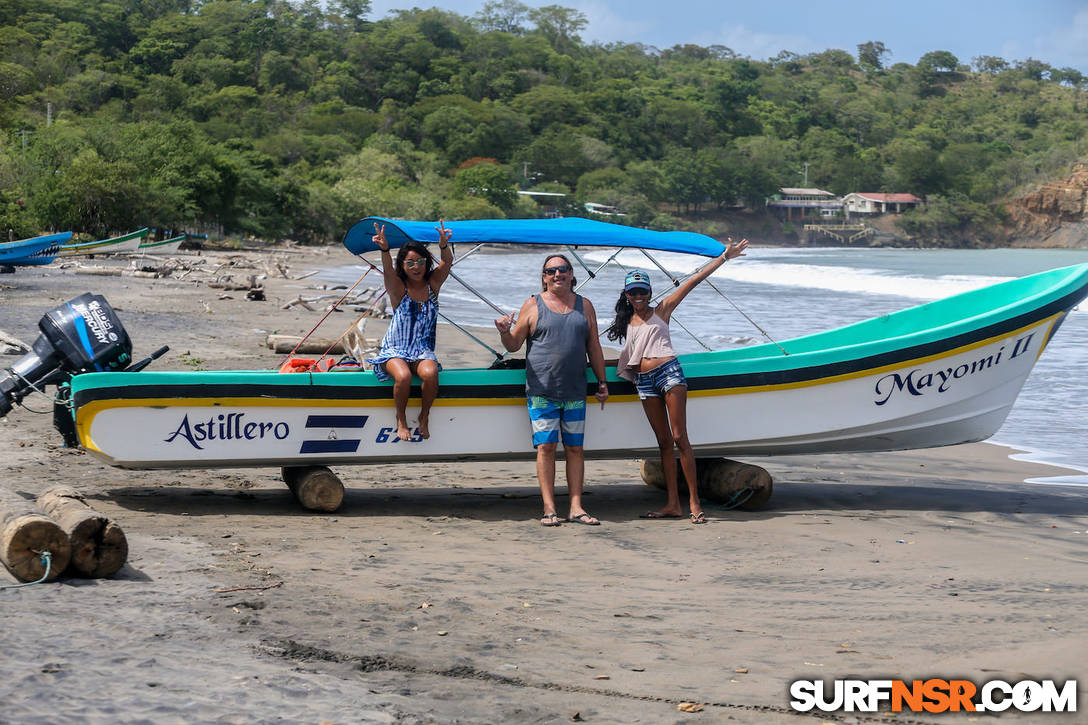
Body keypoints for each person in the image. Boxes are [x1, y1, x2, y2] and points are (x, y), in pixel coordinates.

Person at [606, 238, 749, 524]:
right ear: (626, 294)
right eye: (633, 292)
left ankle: (694, 502)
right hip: (644, 382)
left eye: (642, 291)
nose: (638, 296)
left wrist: (724, 258)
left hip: (669, 373)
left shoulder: (663, 309)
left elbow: (693, 281)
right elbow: (630, 356)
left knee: (679, 438)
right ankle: (672, 504)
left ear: (649, 292)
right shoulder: (626, 322)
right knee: (662, 443)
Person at [494, 255, 610, 527]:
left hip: (575, 391)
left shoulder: (585, 306)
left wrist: (603, 382)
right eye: (551, 271)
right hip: (541, 390)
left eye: (563, 269)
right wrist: (503, 331)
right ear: (544, 277)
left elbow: (593, 346)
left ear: (571, 274)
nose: (557, 274)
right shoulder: (533, 305)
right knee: (546, 447)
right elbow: (513, 345)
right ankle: (548, 508)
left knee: (575, 449)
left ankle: (576, 507)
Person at [365, 221, 454, 442]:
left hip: (422, 350)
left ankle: (424, 416)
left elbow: (447, 262)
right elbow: (387, 271)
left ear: (426, 263)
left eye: (421, 261)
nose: (416, 267)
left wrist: (444, 245)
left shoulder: (432, 285)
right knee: (403, 376)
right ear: (403, 265)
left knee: (431, 373)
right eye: (411, 263)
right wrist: (384, 249)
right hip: (395, 350)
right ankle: (401, 420)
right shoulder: (398, 288)